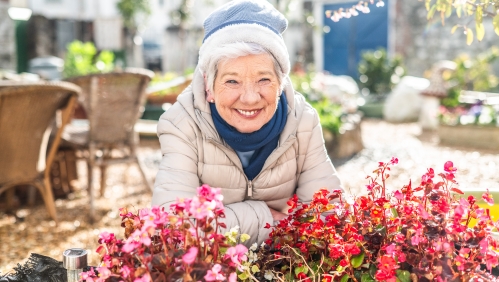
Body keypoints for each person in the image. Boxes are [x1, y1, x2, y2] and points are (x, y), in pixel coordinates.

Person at [152, 0, 342, 246]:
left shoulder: (302, 121)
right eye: (232, 81)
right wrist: (268, 219)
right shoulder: (182, 125)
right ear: (209, 87)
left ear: (281, 82)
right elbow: (174, 228)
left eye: (264, 79)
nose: (250, 97)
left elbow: (328, 218)